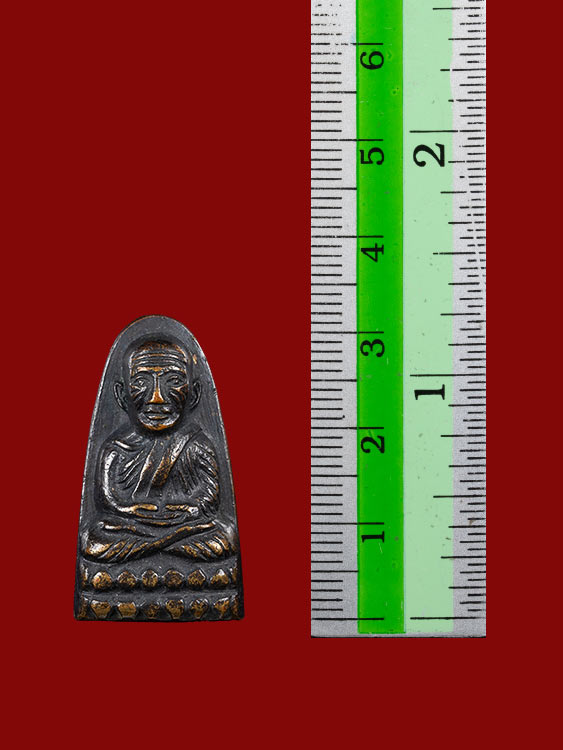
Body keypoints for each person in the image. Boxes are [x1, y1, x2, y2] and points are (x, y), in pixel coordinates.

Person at [80, 340, 236, 562]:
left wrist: (186, 511)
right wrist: (132, 511)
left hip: (184, 526)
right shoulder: (116, 449)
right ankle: (163, 545)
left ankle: (154, 547)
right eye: (141, 382)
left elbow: (209, 502)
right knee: (93, 540)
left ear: (194, 394)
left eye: (173, 381)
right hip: (134, 528)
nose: (157, 398)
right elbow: (109, 503)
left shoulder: (196, 444)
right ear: (121, 395)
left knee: (225, 536)